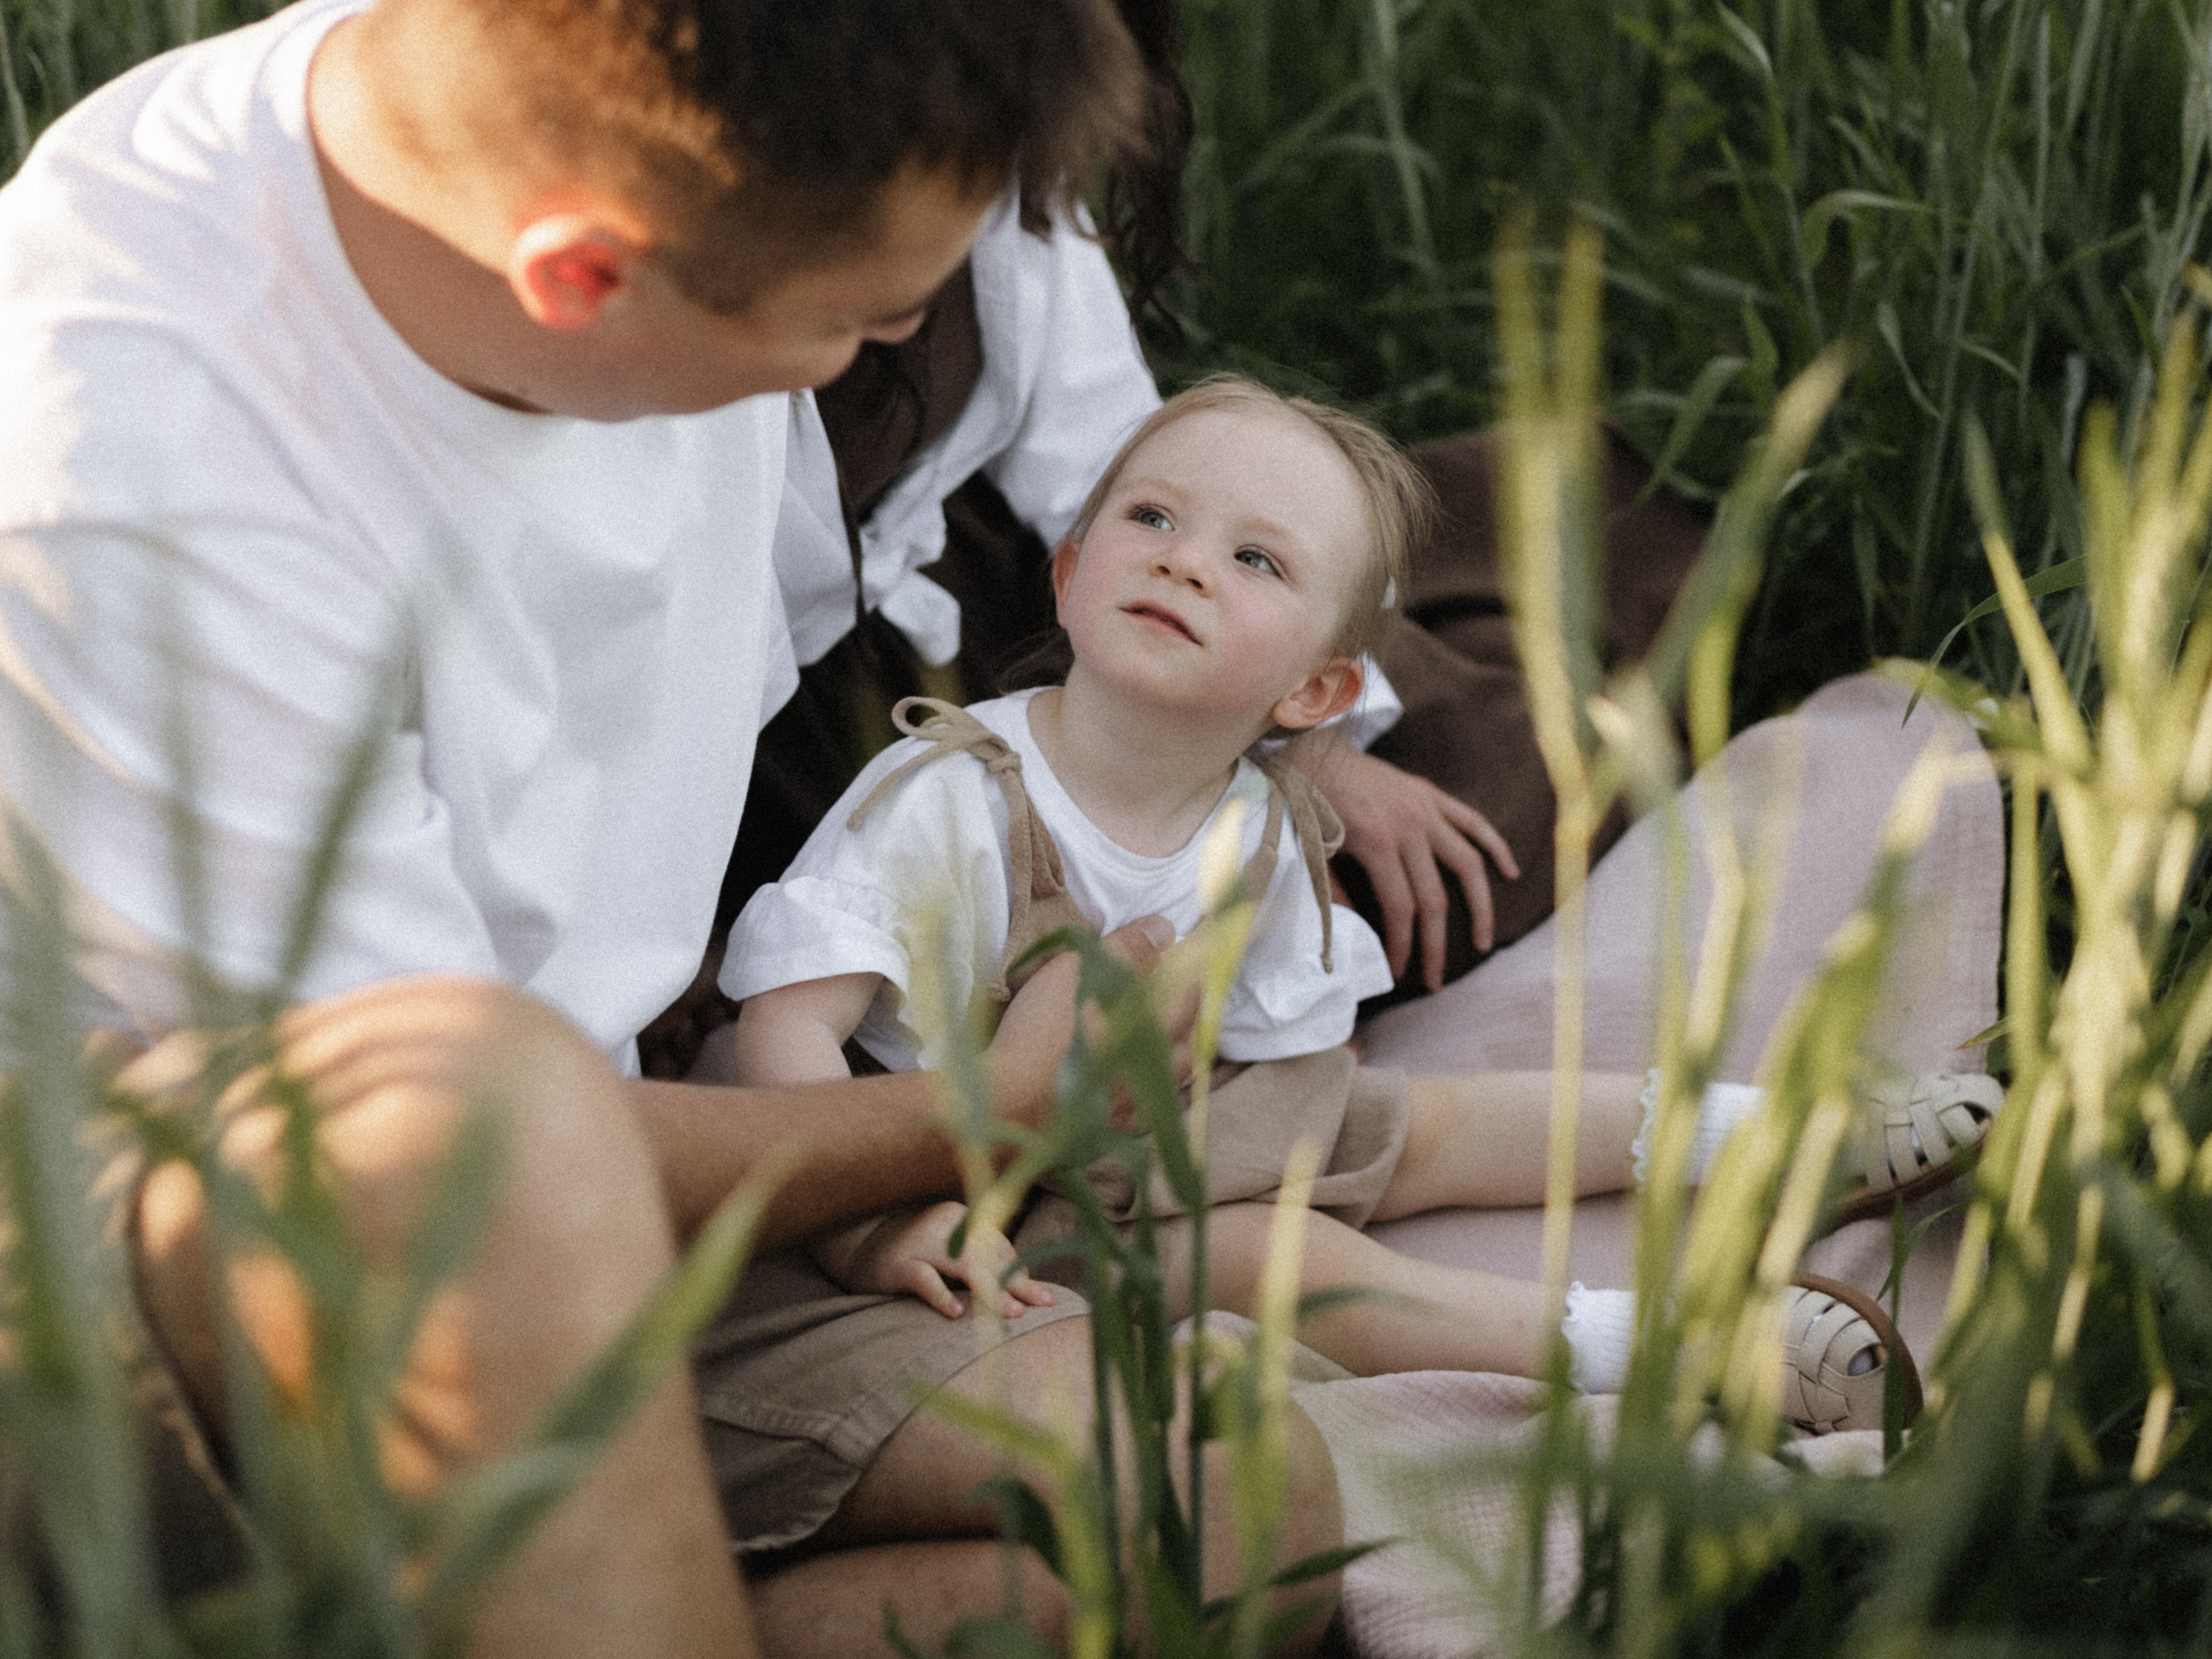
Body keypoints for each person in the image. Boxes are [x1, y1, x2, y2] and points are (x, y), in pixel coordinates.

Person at [0, 2, 1349, 1655]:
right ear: (582, 277)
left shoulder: (628, 152)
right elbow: (462, 1176)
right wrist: (991, 1112)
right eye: (854, 325)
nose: (871, 372)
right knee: (494, 1112)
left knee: (1231, 1500)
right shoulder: (140, 471)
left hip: (617, 1165)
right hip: (209, 1278)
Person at [711, 379, 1999, 1541]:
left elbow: (1294, 1045)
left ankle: (1783, 1141)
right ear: (1067, 573)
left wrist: (1325, 1120)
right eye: (1153, 518)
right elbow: (782, 1030)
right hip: (984, 1192)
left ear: (1318, 697)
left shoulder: (1259, 820)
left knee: (1428, 1123)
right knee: (1294, 1268)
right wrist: (871, 1230)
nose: (1187, 565)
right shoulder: (951, 795)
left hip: (1162, 1118)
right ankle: (1677, 1349)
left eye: (1253, 557)